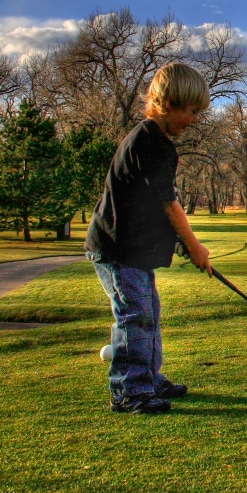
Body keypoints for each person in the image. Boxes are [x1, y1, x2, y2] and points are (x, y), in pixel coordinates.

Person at [85, 62, 213, 414]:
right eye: (191, 111)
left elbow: (147, 207)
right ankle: (129, 392)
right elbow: (168, 204)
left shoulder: (151, 140)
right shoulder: (152, 143)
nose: (194, 119)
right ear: (170, 104)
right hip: (116, 249)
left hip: (132, 248)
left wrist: (175, 243)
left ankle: (149, 378)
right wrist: (193, 245)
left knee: (149, 312)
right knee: (136, 315)